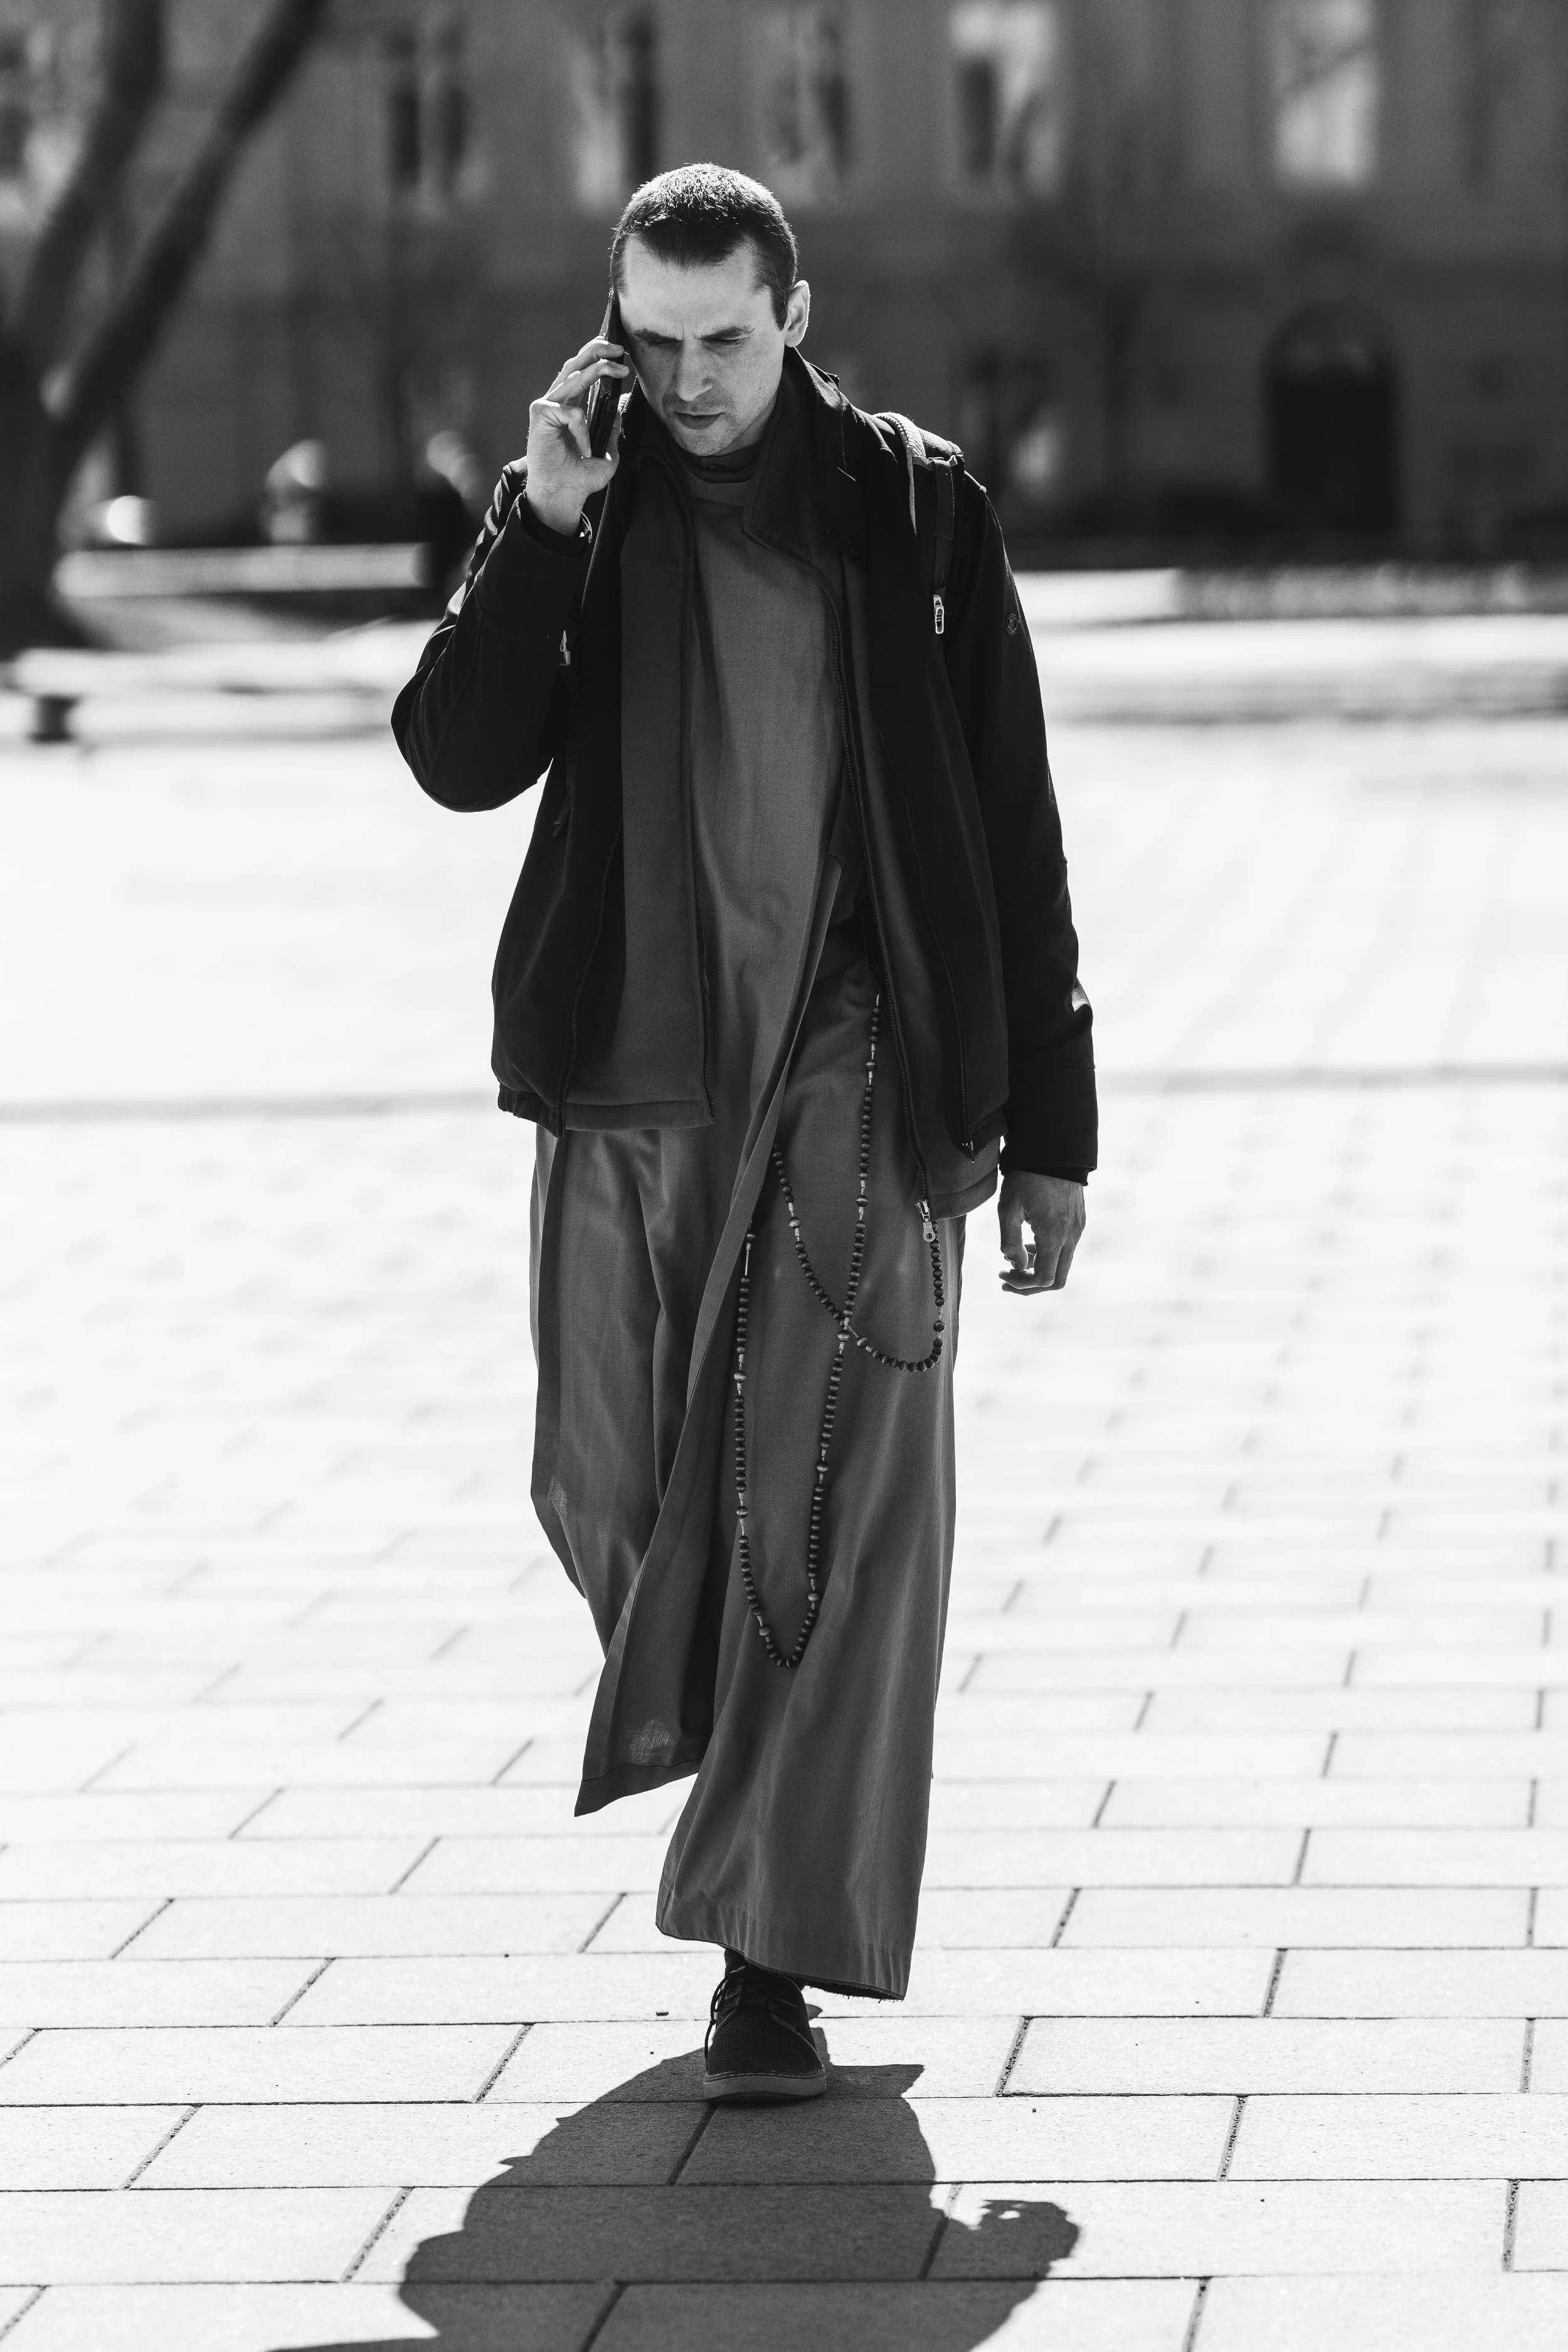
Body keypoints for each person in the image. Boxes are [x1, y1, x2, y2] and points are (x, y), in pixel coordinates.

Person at [392, 164, 1095, 2105]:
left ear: (791, 311)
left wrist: (1052, 1129)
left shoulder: (913, 507)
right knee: (605, 1480)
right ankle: (752, 1754)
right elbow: (457, 756)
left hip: (857, 1065)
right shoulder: (580, 493)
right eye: (651, 337)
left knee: (820, 1509)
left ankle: (768, 1954)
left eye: (720, 335)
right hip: (628, 1067)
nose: (686, 378)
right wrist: (534, 527)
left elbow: (1010, 828)